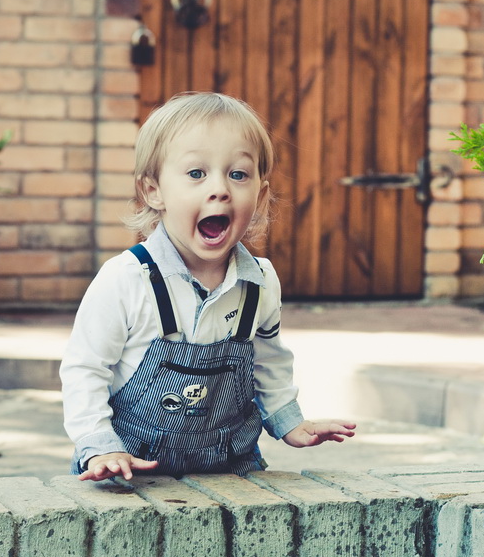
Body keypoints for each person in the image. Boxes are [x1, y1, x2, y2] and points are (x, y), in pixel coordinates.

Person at [60, 91, 355, 482]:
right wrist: (100, 445)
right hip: (130, 466)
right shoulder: (126, 279)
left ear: (260, 195)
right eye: (197, 174)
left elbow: (268, 361)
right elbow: (85, 370)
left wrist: (289, 421)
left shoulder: (260, 283)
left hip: (228, 467)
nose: (220, 189)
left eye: (238, 175)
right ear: (153, 191)